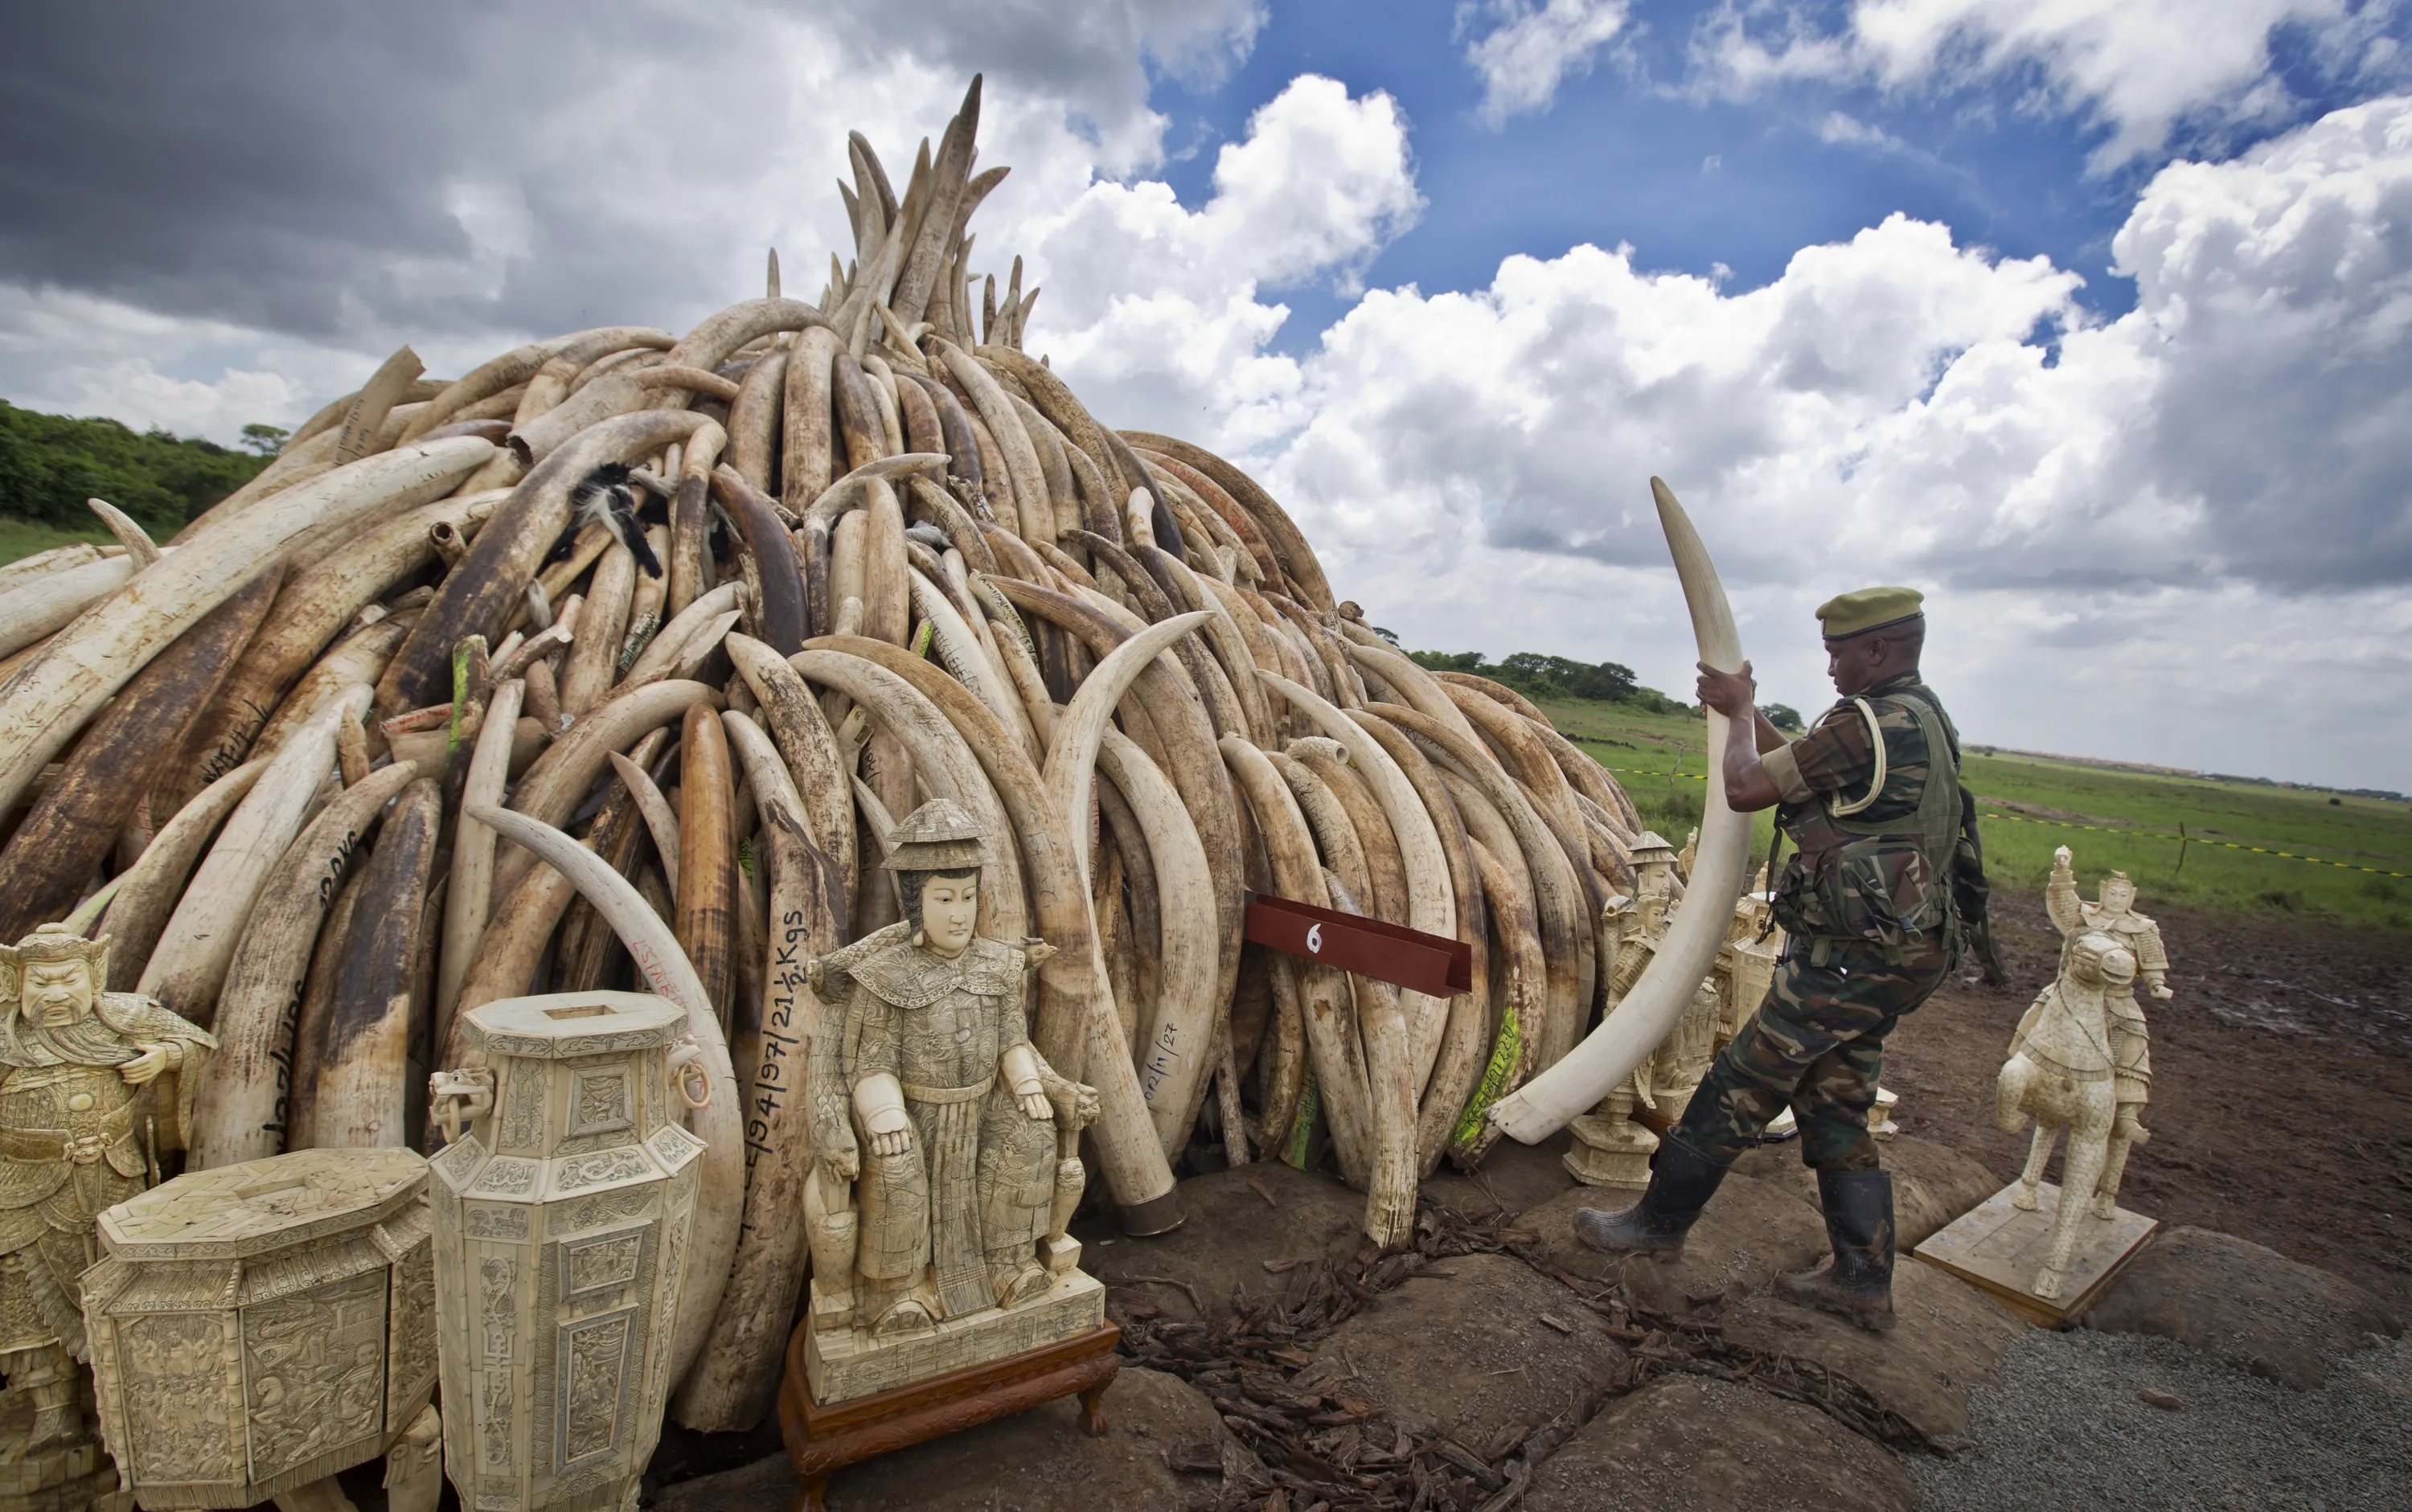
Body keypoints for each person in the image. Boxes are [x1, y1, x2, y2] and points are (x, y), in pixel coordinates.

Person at [1573, 586, 1988, 1331]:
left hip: (1854, 955)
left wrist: (1737, 711)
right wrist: (1741, 711)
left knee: (1743, 1076)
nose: (1829, 665)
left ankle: (1656, 1226)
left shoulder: (1869, 725)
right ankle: (1863, 1279)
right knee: (1834, 1095)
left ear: (1880, 650)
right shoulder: (1916, 717)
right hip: (1897, 949)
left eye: (1839, 652)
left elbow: (1744, 786)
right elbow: (1791, 761)